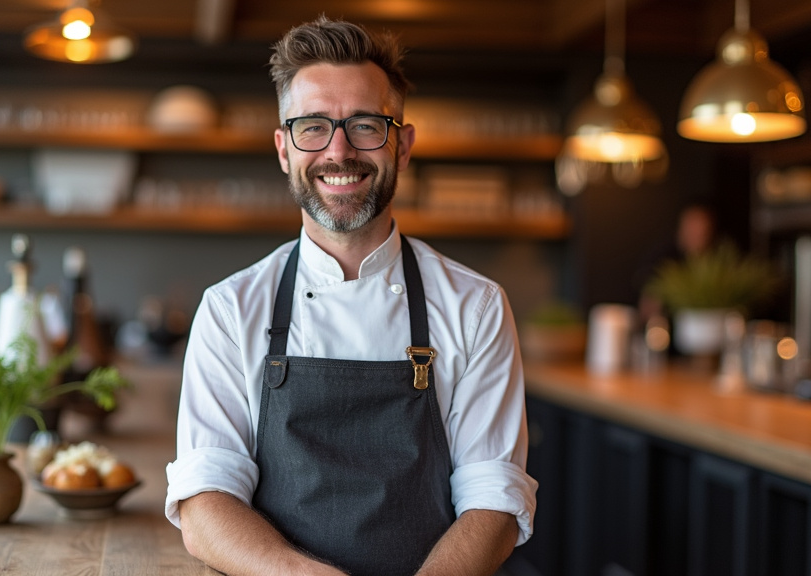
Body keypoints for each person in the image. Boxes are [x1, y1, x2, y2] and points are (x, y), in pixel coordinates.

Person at [164, 15, 537, 576]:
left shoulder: (476, 306)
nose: (339, 150)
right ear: (284, 149)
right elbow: (205, 498)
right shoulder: (229, 309)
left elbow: (494, 498)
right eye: (312, 126)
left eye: (365, 125)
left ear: (403, 146)